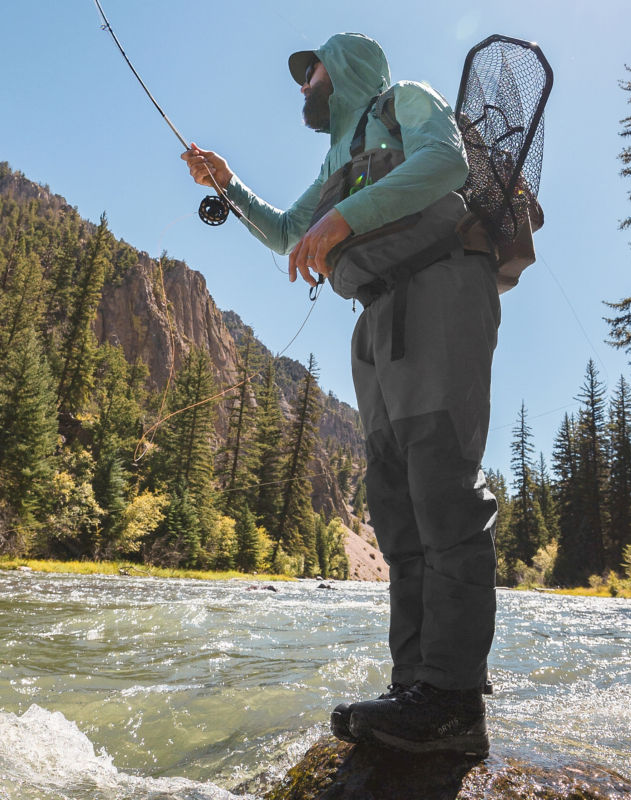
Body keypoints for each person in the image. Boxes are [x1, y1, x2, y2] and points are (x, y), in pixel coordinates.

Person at [182, 32, 499, 758]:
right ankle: (416, 687)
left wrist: (346, 217)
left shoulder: (405, 100)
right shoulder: (335, 160)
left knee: (442, 488)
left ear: (347, 67)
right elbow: (291, 232)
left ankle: (454, 701)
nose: (304, 86)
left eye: (312, 70)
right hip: (378, 319)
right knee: (395, 504)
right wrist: (229, 186)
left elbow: (446, 163)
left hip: (441, 288)